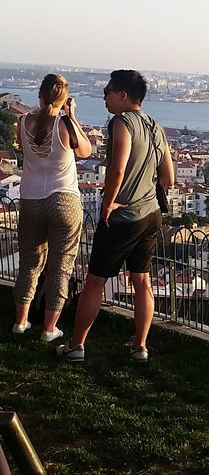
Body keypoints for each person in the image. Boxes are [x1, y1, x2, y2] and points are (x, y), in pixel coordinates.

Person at [57, 70, 173, 364]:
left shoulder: (121, 123)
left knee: (95, 282)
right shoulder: (155, 126)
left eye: (107, 91)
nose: (104, 97)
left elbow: (117, 169)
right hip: (151, 215)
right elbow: (168, 177)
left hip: (124, 216)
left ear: (123, 95)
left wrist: (107, 205)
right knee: (142, 281)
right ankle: (140, 347)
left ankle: (76, 345)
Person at [13, 73, 92, 343]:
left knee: (29, 263)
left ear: (40, 93)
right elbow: (86, 151)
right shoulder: (65, 125)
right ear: (63, 98)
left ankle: (20, 322)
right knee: (61, 265)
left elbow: (25, 148)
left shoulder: (22, 122)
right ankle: (49, 329)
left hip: (30, 199)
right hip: (64, 199)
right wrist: (72, 116)